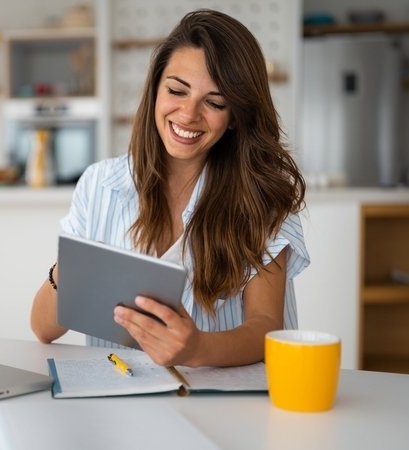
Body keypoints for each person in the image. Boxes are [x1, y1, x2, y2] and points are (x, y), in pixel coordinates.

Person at [30, 9, 309, 368]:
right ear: (155, 89)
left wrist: (196, 349)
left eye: (214, 102)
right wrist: (71, 268)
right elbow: (42, 329)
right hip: (114, 404)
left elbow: (267, 329)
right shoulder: (99, 185)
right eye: (177, 90)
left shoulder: (260, 199)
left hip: (218, 407)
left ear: (236, 116)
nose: (189, 114)